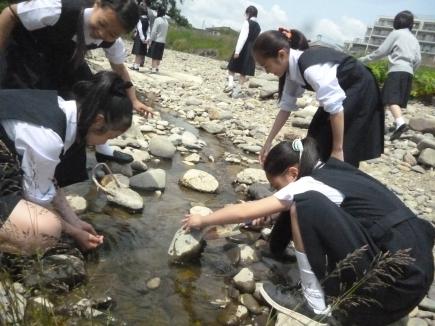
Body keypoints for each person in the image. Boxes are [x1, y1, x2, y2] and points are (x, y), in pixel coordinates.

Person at [182, 137, 434, 326]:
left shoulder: (307, 185)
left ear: (293, 173)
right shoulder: (337, 171)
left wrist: (202, 220)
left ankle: (314, 305)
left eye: (276, 186)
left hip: (388, 296)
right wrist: (269, 218)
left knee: (304, 205)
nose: (275, 192)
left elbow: (244, 211)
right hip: (415, 279)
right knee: (302, 204)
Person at [0, 0, 153, 165]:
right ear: (97, 4)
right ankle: (21, 150)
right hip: (28, 52)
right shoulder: (58, 9)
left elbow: (120, 69)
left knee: (97, 93)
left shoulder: (113, 40)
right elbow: (10, 13)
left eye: (112, 34)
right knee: (27, 98)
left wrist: (134, 100)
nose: (102, 33)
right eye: (101, 23)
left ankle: (100, 147)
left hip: (65, 60)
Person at [0, 71, 133, 255]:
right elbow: (35, 201)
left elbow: (47, 178)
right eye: (112, 136)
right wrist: (73, 231)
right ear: (98, 120)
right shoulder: (49, 138)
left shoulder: (60, 108)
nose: (106, 143)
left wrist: (75, 221)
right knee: (46, 231)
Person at [253, 29, 384, 167]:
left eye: (266, 66)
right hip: (342, 91)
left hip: (360, 87)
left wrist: (337, 150)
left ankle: (339, 174)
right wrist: (268, 142)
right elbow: (285, 109)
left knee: (342, 142)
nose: (267, 71)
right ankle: (319, 173)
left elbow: (336, 109)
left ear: (281, 55)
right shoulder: (290, 70)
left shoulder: (311, 68)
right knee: (315, 137)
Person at [360, 10, 421, 141]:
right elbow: (418, 60)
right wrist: (410, 70)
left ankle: (400, 123)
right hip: (408, 72)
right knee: (385, 100)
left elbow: (381, 51)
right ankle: (378, 125)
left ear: (397, 21)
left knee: (390, 99)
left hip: (396, 70)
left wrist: (363, 59)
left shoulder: (396, 34)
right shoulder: (414, 39)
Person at [224, 5, 261, 98]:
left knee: (231, 67)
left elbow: (242, 38)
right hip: (252, 49)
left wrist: (237, 51)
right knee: (243, 72)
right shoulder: (258, 26)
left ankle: (230, 84)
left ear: (248, 13)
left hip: (244, 47)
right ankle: (237, 91)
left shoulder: (247, 22)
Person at [130, 0, 154, 71]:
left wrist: (142, 38)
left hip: (140, 38)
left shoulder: (140, 19)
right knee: (140, 53)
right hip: (146, 38)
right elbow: (148, 30)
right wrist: (147, 38)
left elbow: (140, 30)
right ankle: (136, 65)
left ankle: (136, 66)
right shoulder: (148, 20)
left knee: (137, 53)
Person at [147, 6, 168, 74]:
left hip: (157, 40)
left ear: (159, 12)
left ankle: (153, 69)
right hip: (163, 40)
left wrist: (150, 40)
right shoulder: (166, 21)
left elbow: (153, 31)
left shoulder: (157, 20)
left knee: (154, 55)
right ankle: (156, 67)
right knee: (159, 55)